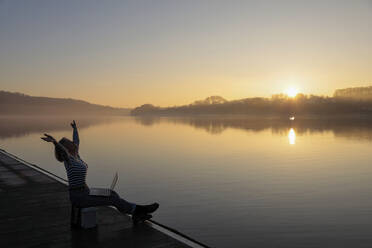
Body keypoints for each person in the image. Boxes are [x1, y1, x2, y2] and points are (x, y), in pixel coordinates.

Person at [41, 120, 159, 224]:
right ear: (67, 148)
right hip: (79, 196)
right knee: (112, 199)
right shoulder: (69, 160)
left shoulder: (77, 156)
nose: (73, 143)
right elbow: (63, 151)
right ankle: (139, 210)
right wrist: (54, 142)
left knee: (112, 193)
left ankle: (136, 213)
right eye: (70, 143)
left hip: (86, 191)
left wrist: (75, 129)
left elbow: (77, 141)